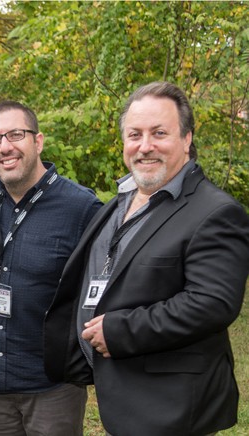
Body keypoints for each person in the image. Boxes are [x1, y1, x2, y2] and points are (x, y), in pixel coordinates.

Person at [44, 81, 249, 435]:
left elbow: (212, 303)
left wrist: (120, 330)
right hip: (124, 396)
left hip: (171, 407)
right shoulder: (120, 200)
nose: (145, 146)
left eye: (159, 133)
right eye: (134, 134)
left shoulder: (215, 211)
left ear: (186, 139)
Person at [0, 101, 102, 435]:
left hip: (52, 386)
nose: (4, 147)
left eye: (15, 135)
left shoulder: (81, 207)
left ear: (38, 142)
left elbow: (110, 279)